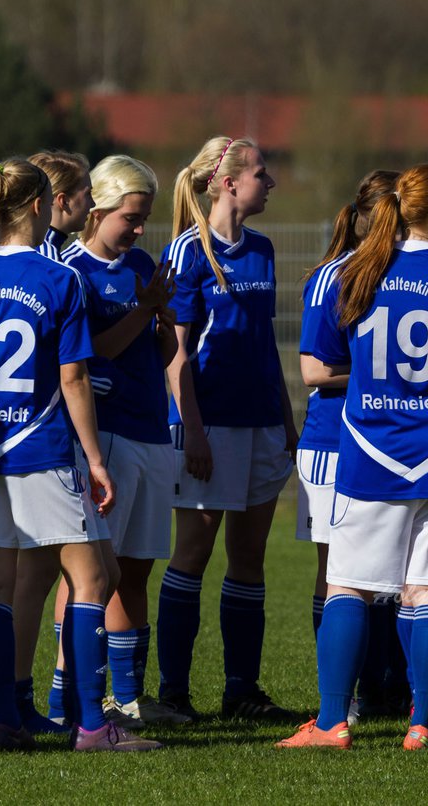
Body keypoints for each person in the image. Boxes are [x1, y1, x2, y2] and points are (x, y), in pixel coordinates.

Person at [277, 164, 428, 751]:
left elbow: (327, 367)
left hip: (371, 452)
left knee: (349, 587)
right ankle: (421, 725)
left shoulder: (355, 272)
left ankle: (333, 723)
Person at [0, 157, 160, 752]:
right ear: (39, 205)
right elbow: (74, 380)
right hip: (41, 448)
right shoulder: (58, 279)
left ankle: (7, 720)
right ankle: (92, 726)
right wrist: (95, 458)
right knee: (92, 579)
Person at [157, 136, 298, 721]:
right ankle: (174, 694)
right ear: (228, 182)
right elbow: (175, 355)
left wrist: (287, 418)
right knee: (192, 552)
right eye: (263, 173)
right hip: (208, 426)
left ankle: (242, 691)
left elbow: (264, 344)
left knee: (250, 558)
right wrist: (193, 430)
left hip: (261, 421)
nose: (272, 183)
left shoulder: (263, 248)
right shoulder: (188, 251)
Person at [61, 155, 189, 726]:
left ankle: (130, 695)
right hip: (105, 435)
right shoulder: (72, 272)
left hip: (150, 430)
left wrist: (161, 326)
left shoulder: (141, 264)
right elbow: (99, 352)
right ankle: (72, 695)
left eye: (145, 219)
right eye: (130, 218)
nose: (140, 230)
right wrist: (146, 309)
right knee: (93, 571)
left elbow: (157, 354)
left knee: (136, 569)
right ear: (98, 209)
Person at [297, 170, 413, 725]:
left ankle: (389, 689)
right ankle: (342, 698)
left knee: (392, 574)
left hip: (384, 440)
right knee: (341, 575)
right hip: (332, 445)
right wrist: (381, 374)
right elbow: (314, 371)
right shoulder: (332, 277)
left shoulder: (403, 274)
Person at [12, 149, 97, 732]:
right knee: (82, 577)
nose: (92, 205)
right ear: (56, 202)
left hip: (23, 439)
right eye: (85, 194)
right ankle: (80, 714)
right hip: (54, 438)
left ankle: (30, 705)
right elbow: (73, 369)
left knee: (43, 578)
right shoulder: (57, 266)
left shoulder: (39, 259)